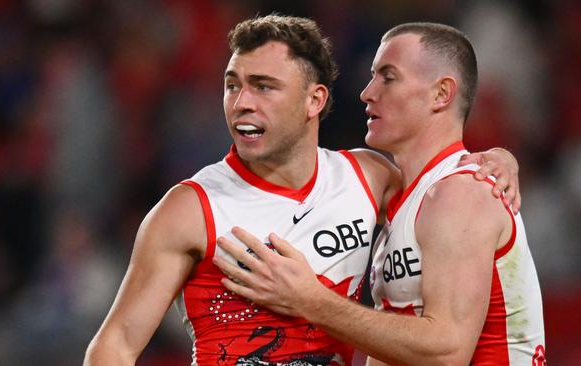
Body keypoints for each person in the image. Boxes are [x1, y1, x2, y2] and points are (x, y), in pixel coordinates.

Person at [84, 16, 521, 365]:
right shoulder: (190, 209)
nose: (241, 103)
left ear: (314, 101)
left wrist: (499, 158)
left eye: (264, 86)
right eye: (232, 84)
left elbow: (444, 187)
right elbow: (115, 346)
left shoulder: (368, 177)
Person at [215, 22, 545, 365]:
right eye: (373, 76)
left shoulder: (461, 194)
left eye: (388, 77)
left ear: (441, 94)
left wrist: (311, 301)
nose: (367, 92)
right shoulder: (407, 197)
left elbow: (446, 352)